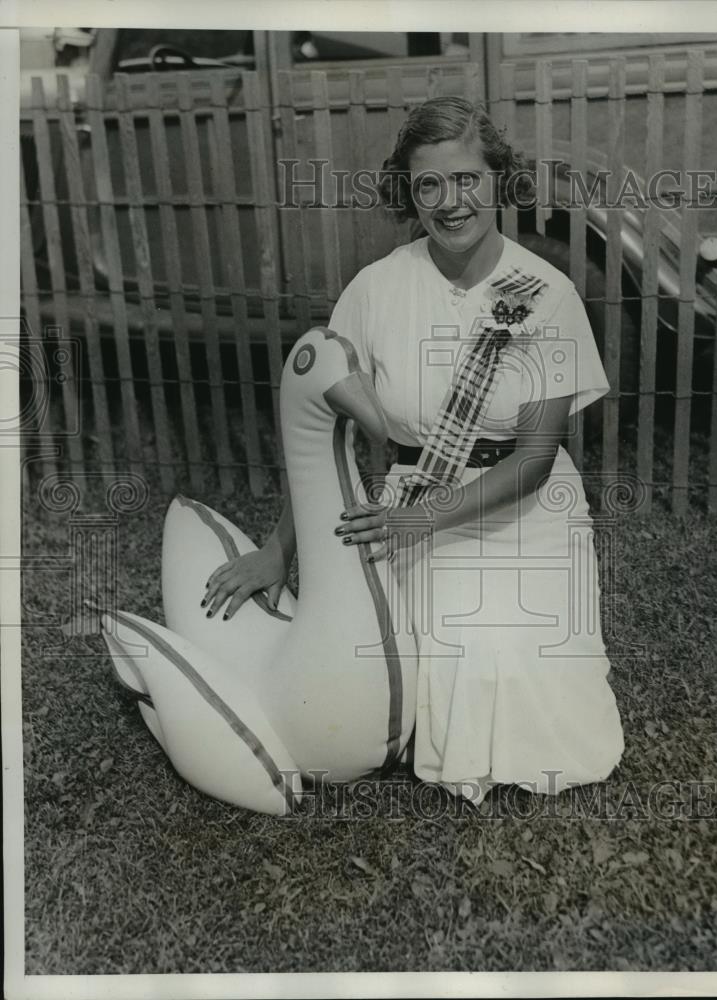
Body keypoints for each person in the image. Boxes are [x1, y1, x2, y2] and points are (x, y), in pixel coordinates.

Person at [203, 96, 625, 804]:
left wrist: (415, 523)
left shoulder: (547, 295)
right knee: (356, 659)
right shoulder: (375, 290)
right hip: (411, 497)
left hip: (516, 509)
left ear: (498, 180)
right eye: (429, 185)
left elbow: (533, 460)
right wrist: (282, 549)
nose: (450, 202)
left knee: (489, 661)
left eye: (466, 180)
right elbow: (322, 434)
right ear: (409, 193)